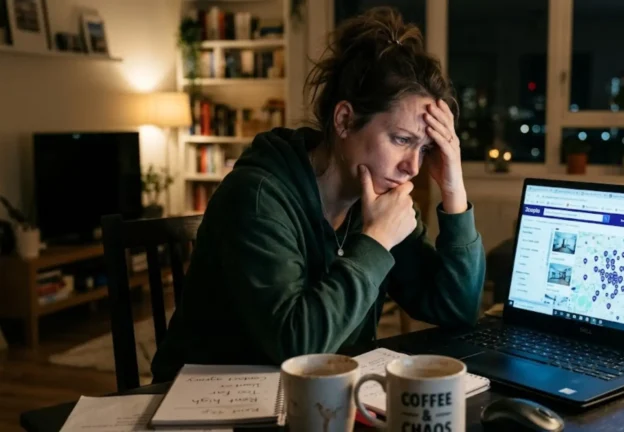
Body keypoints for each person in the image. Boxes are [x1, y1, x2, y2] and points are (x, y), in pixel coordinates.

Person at [151, 7, 485, 382]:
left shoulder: (373, 197)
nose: (413, 166)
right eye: (401, 140)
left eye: (424, 149)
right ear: (343, 120)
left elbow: (457, 309)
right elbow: (296, 347)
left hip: (313, 399)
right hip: (207, 402)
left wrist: (454, 189)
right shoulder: (257, 196)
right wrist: (374, 243)